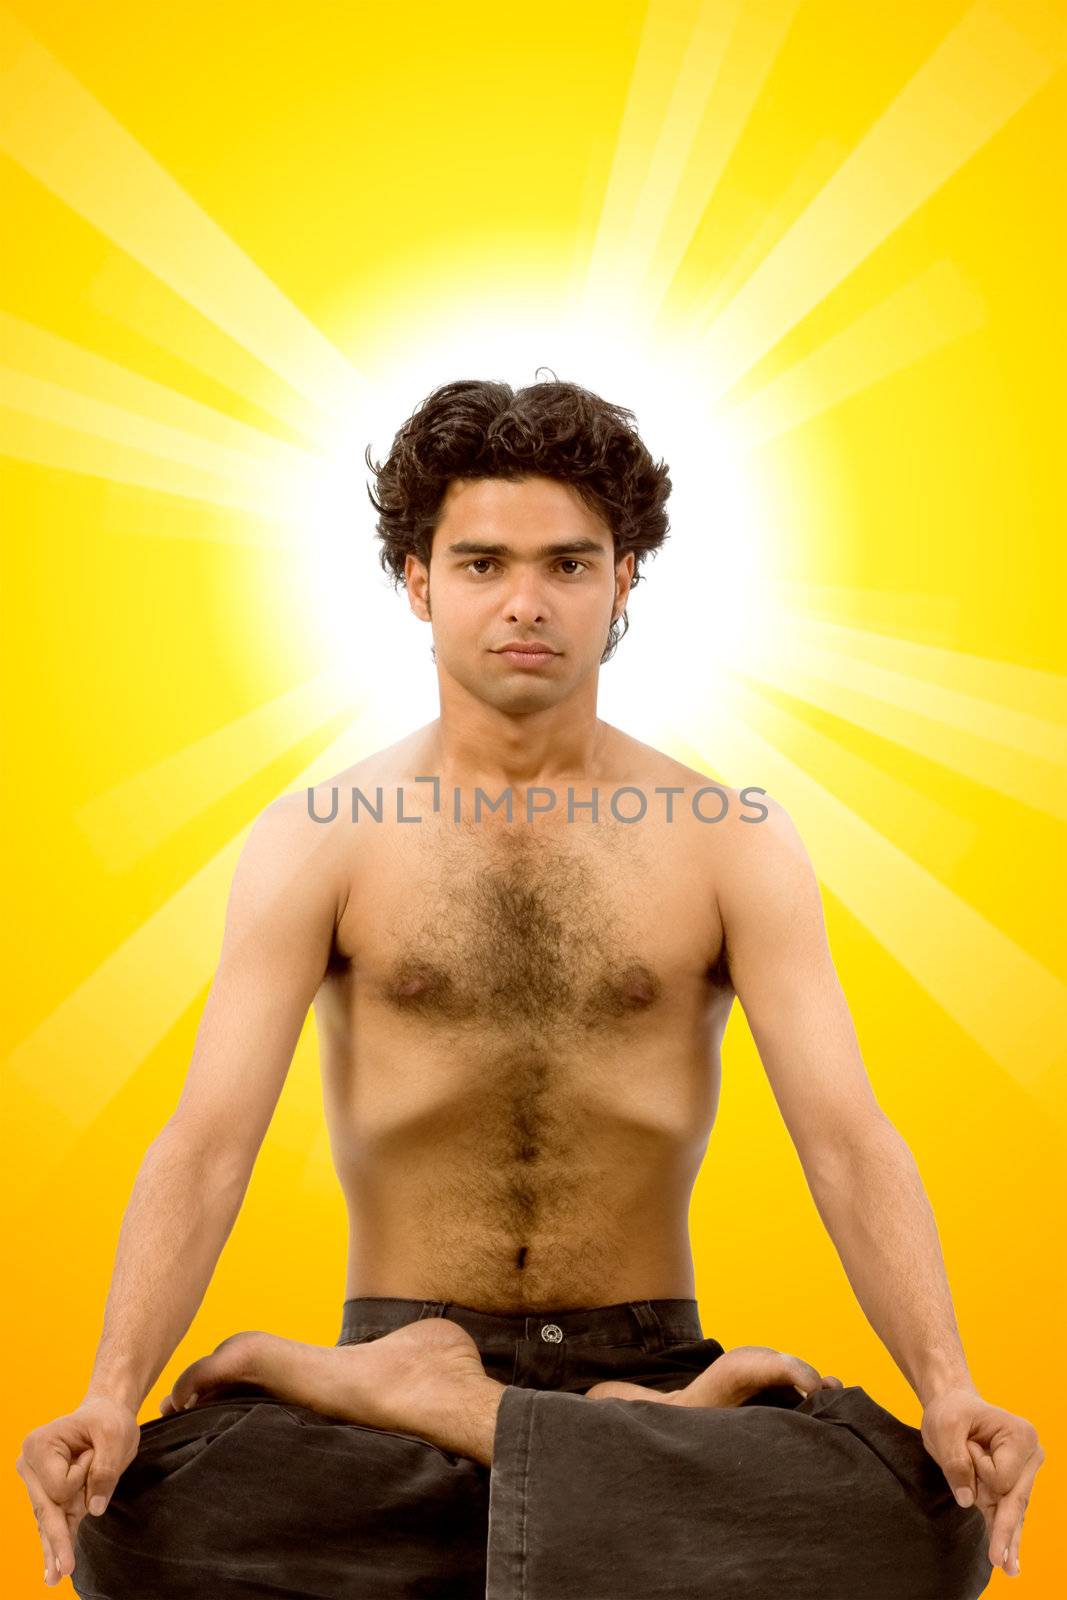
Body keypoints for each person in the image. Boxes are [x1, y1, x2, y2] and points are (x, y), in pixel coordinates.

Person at [18, 377, 1041, 1598]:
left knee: (922, 1520)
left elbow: (844, 1138)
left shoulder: (727, 836)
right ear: (415, 579)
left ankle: (476, 1429)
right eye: (480, 562)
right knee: (143, 1521)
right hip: (398, 1364)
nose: (524, 603)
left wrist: (948, 1388)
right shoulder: (320, 835)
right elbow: (207, 1142)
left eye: (567, 563)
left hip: (651, 1362)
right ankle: (524, 1447)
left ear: (623, 582)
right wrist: (111, 1394)